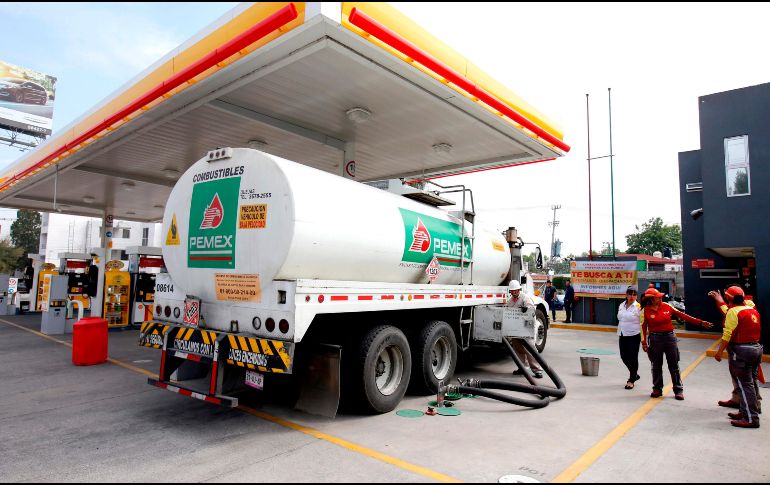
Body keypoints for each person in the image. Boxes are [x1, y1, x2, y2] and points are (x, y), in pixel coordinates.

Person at [640, 288, 714, 400]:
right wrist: (644, 343)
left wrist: (700, 322)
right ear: (650, 299)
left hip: (670, 338)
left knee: (674, 365)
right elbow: (642, 327)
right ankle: (657, 388)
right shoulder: (645, 311)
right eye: (657, 297)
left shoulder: (667, 306)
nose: (660, 298)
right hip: (655, 339)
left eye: (660, 296)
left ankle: (678, 390)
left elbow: (682, 316)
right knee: (656, 365)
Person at [708, 286, 761, 413]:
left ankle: (750, 413)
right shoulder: (750, 306)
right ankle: (743, 406)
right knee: (749, 379)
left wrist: (720, 352)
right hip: (755, 347)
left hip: (741, 349)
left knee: (744, 382)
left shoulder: (735, 311)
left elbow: (728, 329)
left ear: (728, 297)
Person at [506, 280, 544, 379]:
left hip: (527, 328)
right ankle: (522, 368)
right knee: (518, 349)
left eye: (516, 290)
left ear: (519, 289)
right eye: (512, 291)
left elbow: (531, 310)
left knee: (530, 349)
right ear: (510, 291)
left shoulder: (525, 298)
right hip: (516, 329)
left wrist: (525, 309)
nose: (514, 292)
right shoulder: (510, 302)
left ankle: (537, 370)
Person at [617, 286, 642, 389]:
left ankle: (631, 380)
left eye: (634, 294)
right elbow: (619, 318)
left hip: (634, 335)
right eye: (630, 294)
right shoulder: (621, 305)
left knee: (633, 357)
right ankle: (634, 374)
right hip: (622, 334)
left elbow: (643, 321)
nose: (632, 296)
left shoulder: (639, 307)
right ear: (626, 295)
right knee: (623, 356)